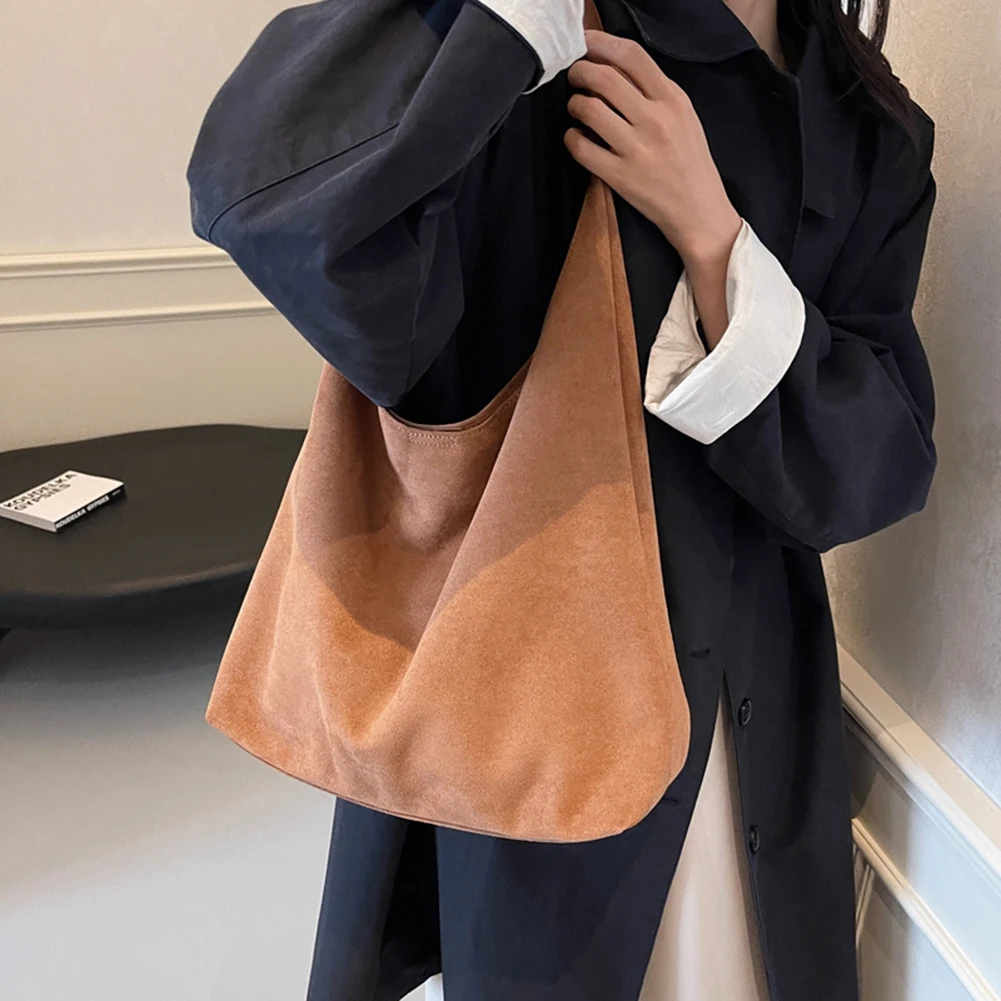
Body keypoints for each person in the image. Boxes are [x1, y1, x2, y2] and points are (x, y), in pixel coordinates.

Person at [186, 0, 937, 998]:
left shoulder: (869, 125)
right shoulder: (559, 33)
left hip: (753, 702)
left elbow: (875, 465)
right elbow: (268, 196)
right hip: (525, 680)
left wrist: (714, 241)